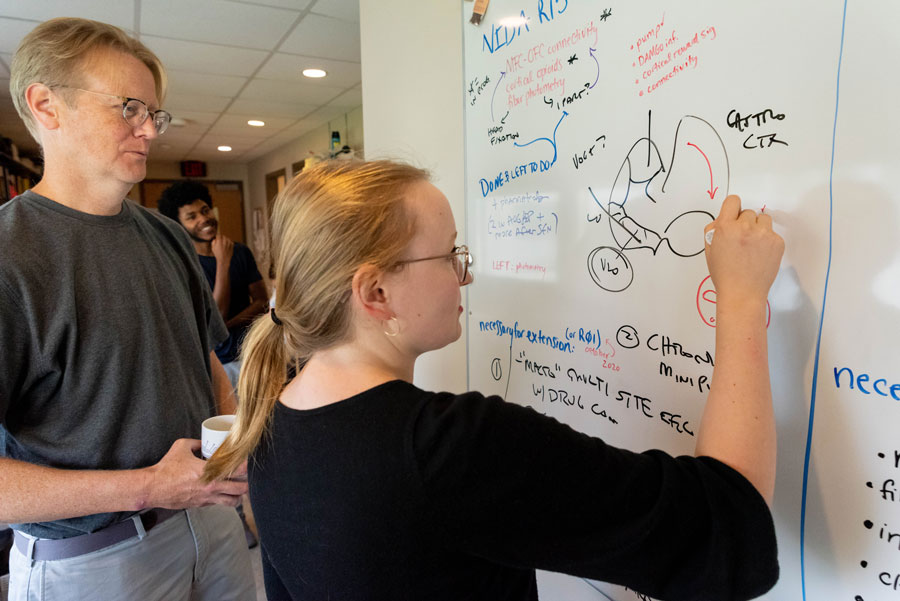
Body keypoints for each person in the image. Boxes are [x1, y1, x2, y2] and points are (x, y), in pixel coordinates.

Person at [203, 160, 784, 601]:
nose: (465, 275)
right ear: (375, 292)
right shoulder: (449, 448)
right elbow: (726, 525)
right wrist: (740, 298)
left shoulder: (273, 415)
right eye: (450, 255)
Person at [1, 17, 254, 601]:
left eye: (154, 115)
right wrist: (145, 488)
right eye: (129, 108)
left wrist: (233, 439)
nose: (149, 130)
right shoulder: (11, 257)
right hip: (95, 563)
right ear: (46, 106)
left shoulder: (167, 237)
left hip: (211, 526)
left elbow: (205, 363)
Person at [157, 180, 268, 389]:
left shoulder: (241, 251)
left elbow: (262, 301)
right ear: (179, 225)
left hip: (252, 352)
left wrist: (228, 325)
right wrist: (223, 263)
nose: (204, 219)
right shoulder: (184, 265)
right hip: (219, 363)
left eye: (205, 210)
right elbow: (216, 318)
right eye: (192, 217)